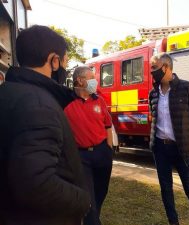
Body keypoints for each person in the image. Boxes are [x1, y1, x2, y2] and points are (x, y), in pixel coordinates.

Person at [0, 25, 90, 225]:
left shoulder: (9, 92)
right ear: (53, 60)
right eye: (65, 60)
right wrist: (83, 200)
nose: (65, 67)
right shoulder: (39, 105)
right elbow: (35, 182)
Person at [149, 53, 189, 225]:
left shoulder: (187, 88)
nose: (152, 71)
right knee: (166, 190)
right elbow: (154, 120)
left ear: (165, 67)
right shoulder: (153, 93)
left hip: (183, 149)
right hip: (161, 148)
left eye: (154, 67)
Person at [64, 66, 113, 225]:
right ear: (80, 80)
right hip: (81, 157)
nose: (95, 81)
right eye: (91, 77)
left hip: (102, 153)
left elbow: (107, 125)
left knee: (101, 192)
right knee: (88, 197)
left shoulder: (99, 100)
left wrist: (109, 149)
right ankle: (92, 220)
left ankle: (92, 218)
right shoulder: (67, 103)